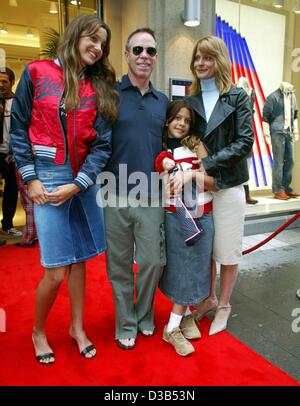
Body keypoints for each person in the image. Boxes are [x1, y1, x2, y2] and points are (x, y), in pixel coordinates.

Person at [10, 14, 119, 365]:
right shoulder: (37, 72)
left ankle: (77, 327)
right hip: (47, 179)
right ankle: (38, 331)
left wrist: (79, 184)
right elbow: (18, 130)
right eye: (92, 39)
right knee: (56, 269)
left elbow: (102, 144)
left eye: (102, 43)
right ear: (75, 36)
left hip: (81, 184)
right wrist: (31, 178)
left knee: (81, 262)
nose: (98, 47)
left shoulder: (97, 86)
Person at [168, 35, 253, 336]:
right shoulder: (189, 100)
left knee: (227, 251)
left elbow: (245, 142)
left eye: (207, 57)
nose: (201, 63)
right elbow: (179, 135)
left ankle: (225, 305)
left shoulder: (238, 96)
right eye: (197, 58)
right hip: (199, 188)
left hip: (227, 185)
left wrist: (209, 161)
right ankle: (208, 298)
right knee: (205, 251)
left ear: (219, 60)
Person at [103, 27, 168, 350]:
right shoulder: (111, 95)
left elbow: (170, 145)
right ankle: (125, 323)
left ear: (156, 58)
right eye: (138, 49)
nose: (144, 56)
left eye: (151, 51)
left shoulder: (163, 102)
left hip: (152, 195)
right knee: (118, 264)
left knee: (152, 261)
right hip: (113, 192)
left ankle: (144, 315)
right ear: (126, 54)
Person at [155, 99, 215, 356]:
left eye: (187, 120)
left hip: (205, 213)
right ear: (168, 120)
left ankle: (187, 314)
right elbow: (159, 180)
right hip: (178, 217)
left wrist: (191, 175)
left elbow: (215, 181)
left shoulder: (197, 144)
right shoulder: (161, 150)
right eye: (177, 118)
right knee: (182, 267)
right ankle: (172, 327)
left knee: (199, 266)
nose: (182, 123)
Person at [262, 82, 299, 200]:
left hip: (289, 131)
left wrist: (296, 131)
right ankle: (278, 190)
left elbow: (295, 115)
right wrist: (267, 135)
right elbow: (265, 117)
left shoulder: (292, 96)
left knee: (291, 160)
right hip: (277, 131)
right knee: (278, 161)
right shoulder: (273, 97)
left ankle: (286, 187)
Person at [0, 67, 22, 240]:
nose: (0, 85)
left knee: (11, 190)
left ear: (12, 82)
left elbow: (21, 129)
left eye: (4, 81)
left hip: (11, 154)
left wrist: (15, 151)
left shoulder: (18, 103)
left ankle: (7, 224)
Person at [236, 76, 258, 205]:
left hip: (248, 132)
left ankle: (246, 194)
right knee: (238, 163)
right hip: (237, 133)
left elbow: (251, 112)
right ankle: (241, 195)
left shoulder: (251, 93)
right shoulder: (234, 92)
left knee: (247, 163)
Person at [14, 169, 38, 247]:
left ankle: (29, 237)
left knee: (29, 203)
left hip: (26, 168)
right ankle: (37, 236)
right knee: (37, 202)